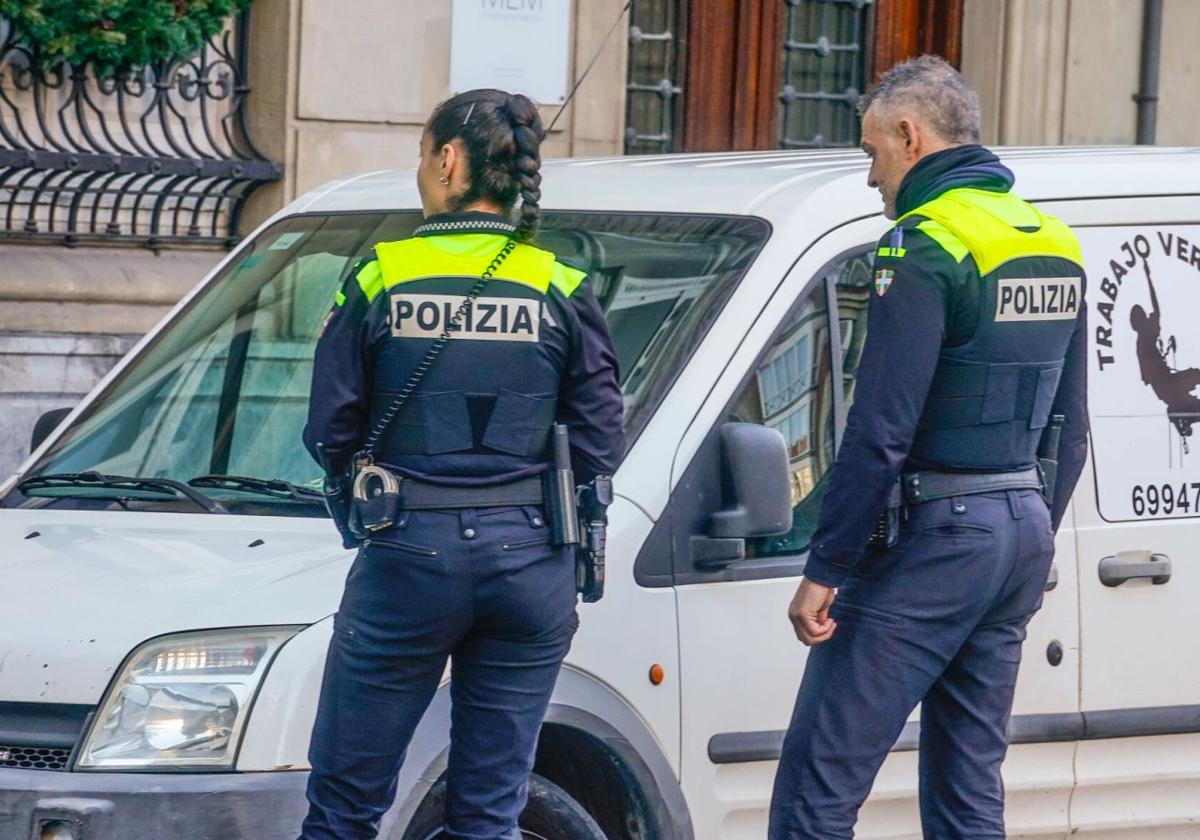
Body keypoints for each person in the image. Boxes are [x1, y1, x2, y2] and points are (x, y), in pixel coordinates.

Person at [768, 56, 1088, 839]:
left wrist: (825, 569)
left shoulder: (925, 245)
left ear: (911, 136)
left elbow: (879, 430)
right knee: (968, 790)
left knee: (817, 788)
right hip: (1016, 535)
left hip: (935, 539)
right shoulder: (1055, 240)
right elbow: (1071, 427)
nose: (873, 177)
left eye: (873, 152)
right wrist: (1035, 526)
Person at [298, 88, 624, 840]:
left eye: (422, 154)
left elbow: (329, 427)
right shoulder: (562, 285)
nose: (420, 169)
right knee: (489, 811)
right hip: (531, 561)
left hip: (406, 558)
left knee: (345, 807)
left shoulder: (381, 276)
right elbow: (603, 439)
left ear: (448, 161)